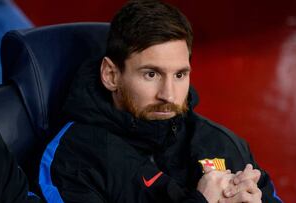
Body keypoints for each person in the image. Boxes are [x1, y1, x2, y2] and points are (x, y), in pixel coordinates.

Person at [39, 0, 282, 202]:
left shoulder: (223, 143)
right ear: (111, 75)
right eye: (151, 74)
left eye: (179, 75)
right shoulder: (73, 158)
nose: (168, 94)